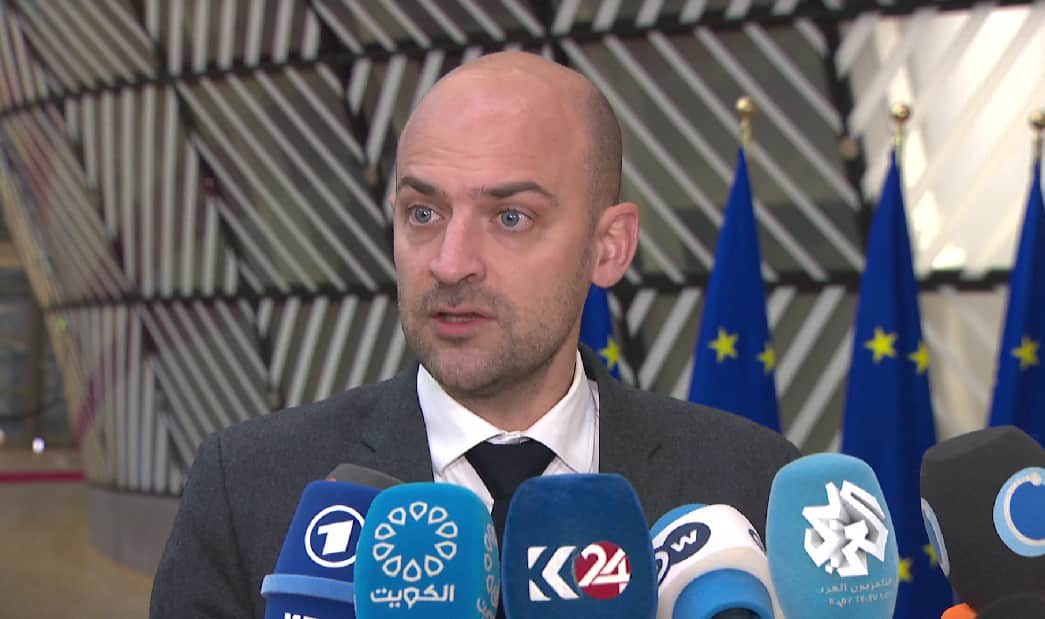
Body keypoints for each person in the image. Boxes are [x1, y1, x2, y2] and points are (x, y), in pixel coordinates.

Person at [150, 51, 799, 618]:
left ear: (609, 246)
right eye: (423, 213)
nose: (449, 262)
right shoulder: (249, 486)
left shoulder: (747, 484)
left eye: (510, 217)